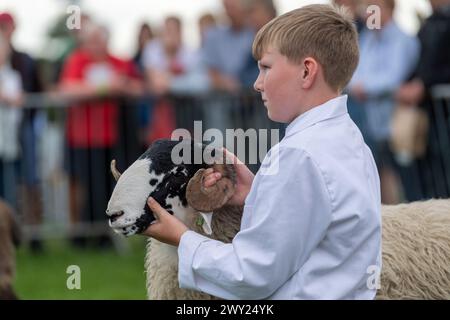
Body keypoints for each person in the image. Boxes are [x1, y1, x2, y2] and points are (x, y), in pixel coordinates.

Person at [144, 5, 382, 299]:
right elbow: (316, 222)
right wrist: (257, 193)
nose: (257, 83)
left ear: (307, 71)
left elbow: (252, 274)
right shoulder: (349, 139)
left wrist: (182, 238)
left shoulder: (299, 154)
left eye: (266, 67)